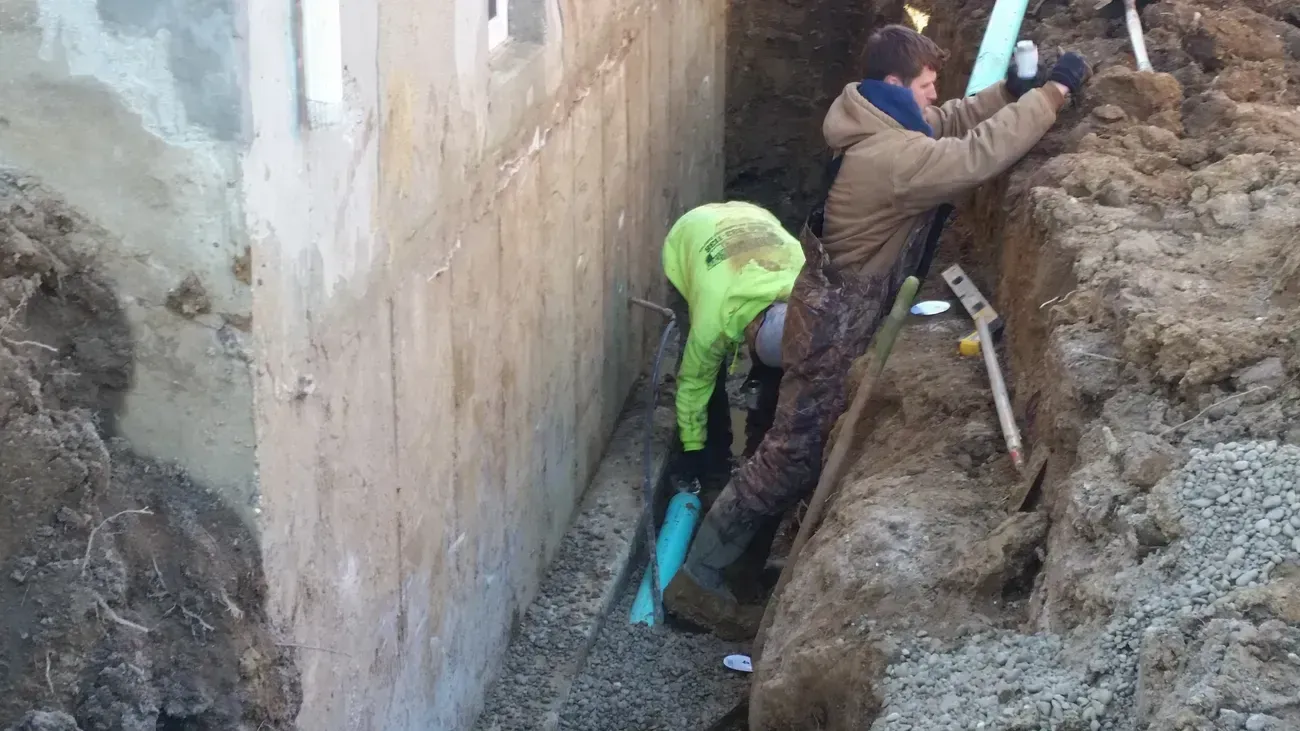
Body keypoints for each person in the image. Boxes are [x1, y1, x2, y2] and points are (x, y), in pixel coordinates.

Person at [663, 24, 1092, 635]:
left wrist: (1008, 91)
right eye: (926, 84)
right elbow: (975, 155)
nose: (934, 95)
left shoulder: (879, 122)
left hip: (831, 315)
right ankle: (697, 584)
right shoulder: (888, 158)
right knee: (790, 457)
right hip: (829, 329)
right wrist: (1051, 94)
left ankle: (741, 572)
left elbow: (949, 121)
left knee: (791, 451)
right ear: (895, 83)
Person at [662, 201, 806, 487]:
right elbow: (694, 383)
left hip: (756, 220)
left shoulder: (807, 290)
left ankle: (759, 448)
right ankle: (714, 460)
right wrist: (693, 448)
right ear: (752, 326)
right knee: (705, 371)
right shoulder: (711, 322)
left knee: (774, 378)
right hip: (693, 233)